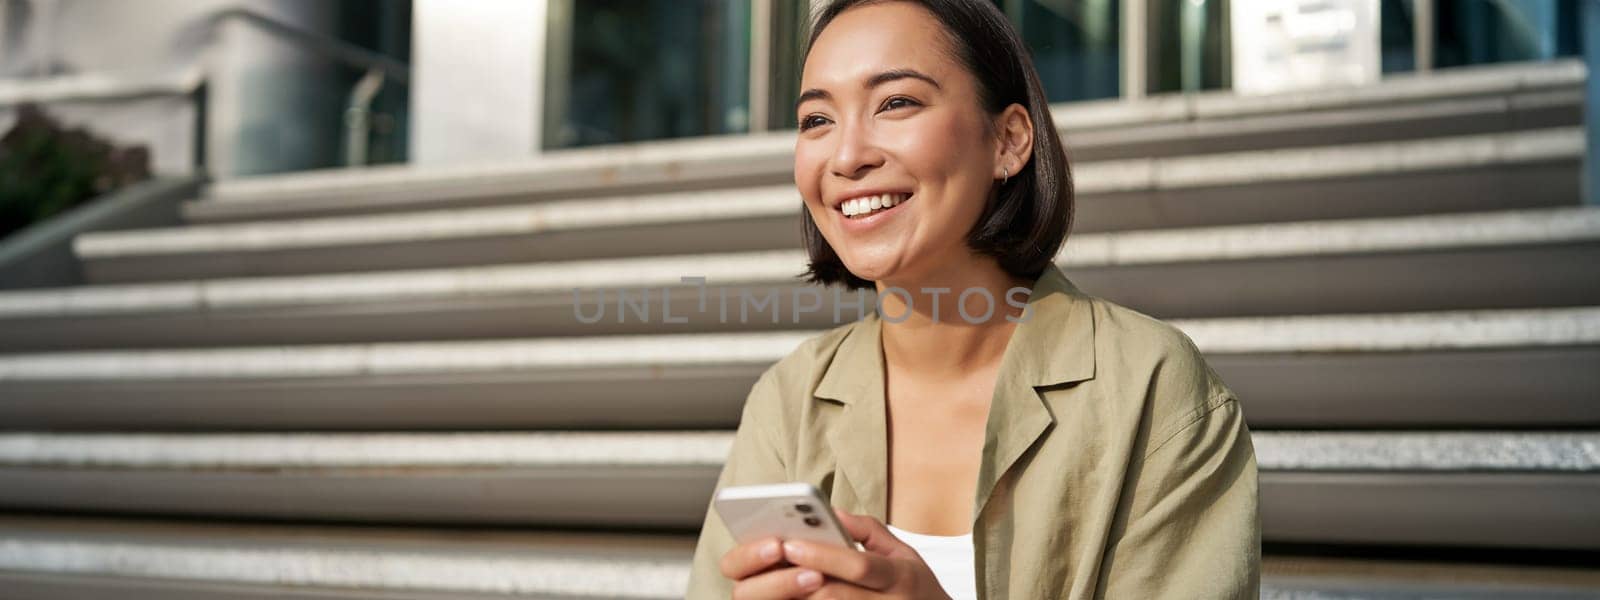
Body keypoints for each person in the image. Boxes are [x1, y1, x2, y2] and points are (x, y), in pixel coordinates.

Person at [686, 0, 1259, 597]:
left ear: (1008, 140)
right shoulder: (789, 400)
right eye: (816, 121)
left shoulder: (1152, 387)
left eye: (896, 103)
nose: (847, 156)